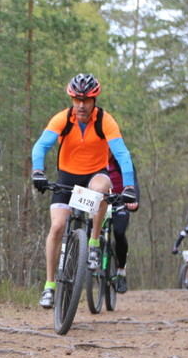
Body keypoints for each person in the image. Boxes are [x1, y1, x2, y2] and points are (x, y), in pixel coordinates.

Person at [31, 73, 137, 308]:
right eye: (76, 100)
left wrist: (129, 186)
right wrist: (38, 171)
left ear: (94, 100)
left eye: (86, 100)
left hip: (93, 176)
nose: (81, 105)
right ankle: (50, 286)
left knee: (101, 188)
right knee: (57, 227)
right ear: (71, 99)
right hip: (66, 178)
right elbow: (41, 145)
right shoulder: (62, 119)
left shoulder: (104, 121)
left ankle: (94, 243)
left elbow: (122, 154)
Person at [106, 150, 140, 293]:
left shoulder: (121, 160)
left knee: (119, 233)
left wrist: (134, 200)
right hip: (100, 201)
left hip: (121, 201)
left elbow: (133, 181)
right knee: (89, 229)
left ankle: (121, 272)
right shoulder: (93, 157)